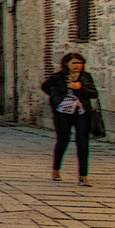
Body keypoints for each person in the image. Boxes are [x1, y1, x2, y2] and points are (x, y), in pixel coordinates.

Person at [42, 52, 97, 186]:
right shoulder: (57, 77)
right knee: (63, 141)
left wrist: (80, 88)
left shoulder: (85, 77)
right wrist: (56, 99)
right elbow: (45, 87)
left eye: (79, 63)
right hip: (63, 113)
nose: (77, 66)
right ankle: (56, 170)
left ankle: (83, 176)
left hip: (81, 112)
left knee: (83, 142)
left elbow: (94, 93)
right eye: (74, 63)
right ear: (66, 64)